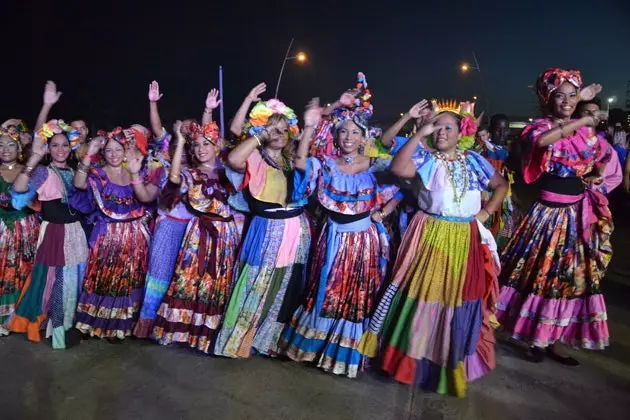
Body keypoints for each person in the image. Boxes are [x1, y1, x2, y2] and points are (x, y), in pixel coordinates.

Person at [359, 100, 507, 397]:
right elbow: (399, 168)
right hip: (430, 234)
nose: (440, 132)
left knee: (457, 298)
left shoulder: (474, 160)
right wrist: (418, 134)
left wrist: (486, 212)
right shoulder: (427, 160)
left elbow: (501, 185)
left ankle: (444, 363)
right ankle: (410, 362)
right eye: (437, 127)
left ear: (461, 132)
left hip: (464, 238)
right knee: (422, 296)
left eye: (447, 127)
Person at [280, 76, 402, 378]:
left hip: (364, 241)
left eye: (354, 132)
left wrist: (383, 212)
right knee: (325, 288)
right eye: (343, 131)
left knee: (355, 294)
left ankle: (344, 354)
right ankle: (314, 348)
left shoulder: (377, 165)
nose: (348, 137)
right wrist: (309, 126)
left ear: (364, 137)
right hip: (332, 237)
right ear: (336, 136)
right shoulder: (328, 163)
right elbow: (300, 163)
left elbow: (402, 186)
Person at [497, 68, 612, 366]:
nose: (566, 101)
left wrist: (595, 177)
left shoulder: (585, 133)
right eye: (559, 96)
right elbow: (543, 142)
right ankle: (535, 337)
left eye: (572, 96)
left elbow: (596, 161)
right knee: (540, 277)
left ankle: (555, 341)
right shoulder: (539, 126)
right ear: (547, 98)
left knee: (569, 280)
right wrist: (584, 117)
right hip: (549, 216)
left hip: (577, 215)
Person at [214, 94, 311, 358]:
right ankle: (240, 340)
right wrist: (260, 135)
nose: (278, 134)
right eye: (272, 128)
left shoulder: (291, 161)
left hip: (297, 230)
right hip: (268, 229)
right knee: (257, 282)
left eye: (283, 129)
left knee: (285, 284)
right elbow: (233, 160)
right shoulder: (255, 157)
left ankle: (268, 340)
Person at [133, 81, 221, 338]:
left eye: (193, 141)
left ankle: (173, 325)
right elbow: (158, 130)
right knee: (159, 274)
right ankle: (148, 323)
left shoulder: (200, 169)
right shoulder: (165, 167)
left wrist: (208, 112)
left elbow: (209, 138)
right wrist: (153, 103)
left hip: (194, 229)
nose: (188, 148)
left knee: (183, 279)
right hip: (169, 227)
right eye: (182, 140)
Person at [152, 119, 240, 353]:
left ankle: (207, 333)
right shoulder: (189, 173)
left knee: (216, 284)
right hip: (199, 234)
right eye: (197, 145)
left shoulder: (228, 172)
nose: (201, 149)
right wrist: (180, 142)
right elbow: (172, 181)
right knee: (189, 281)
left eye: (206, 144)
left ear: (215, 146)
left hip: (225, 234)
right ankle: (180, 330)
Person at [70, 127, 160, 340]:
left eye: (118, 150)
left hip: (133, 236)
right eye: (109, 150)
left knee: (127, 279)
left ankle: (119, 326)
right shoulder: (97, 174)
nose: (113, 154)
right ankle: (94, 322)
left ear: (125, 151)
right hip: (107, 235)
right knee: (103, 278)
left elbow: (148, 199)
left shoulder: (137, 172)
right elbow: (78, 184)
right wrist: (89, 153)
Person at [9, 119, 88, 349]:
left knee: (74, 282)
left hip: (76, 233)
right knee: (57, 283)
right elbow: (20, 189)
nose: (60, 149)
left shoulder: (75, 171)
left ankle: (66, 328)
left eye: (64, 145)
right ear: (48, 149)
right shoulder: (43, 172)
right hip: (55, 233)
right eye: (55, 145)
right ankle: (58, 337)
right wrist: (34, 158)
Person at [0, 130, 39, 336]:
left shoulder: (30, 171)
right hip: (1, 231)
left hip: (26, 229)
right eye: (1, 145)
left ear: (19, 148)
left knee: (23, 270)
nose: (5, 150)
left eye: (10, 144)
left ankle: (18, 317)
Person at [475, 114, 521, 249]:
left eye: (505, 129)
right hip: (485, 200)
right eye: (497, 129)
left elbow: (511, 181)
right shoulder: (481, 150)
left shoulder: (510, 151)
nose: (502, 133)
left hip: (505, 201)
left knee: (503, 237)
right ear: (490, 130)